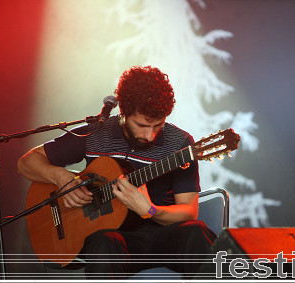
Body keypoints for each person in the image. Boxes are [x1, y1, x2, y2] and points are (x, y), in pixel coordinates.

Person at [17, 66, 217, 279]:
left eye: (158, 125)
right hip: (117, 244)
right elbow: (27, 162)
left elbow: (188, 211)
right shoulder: (95, 134)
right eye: (141, 125)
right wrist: (61, 178)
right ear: (123, 112)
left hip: (164, 238)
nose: (150, 135)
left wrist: (151, 210)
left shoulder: (180, 144)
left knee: (196, 231)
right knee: (105, 242)